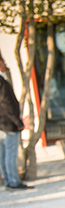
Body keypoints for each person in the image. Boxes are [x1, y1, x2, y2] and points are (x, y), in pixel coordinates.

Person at [0, 55, 31, 190]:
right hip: (7, 123)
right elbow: (7, 104)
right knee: (10, 153)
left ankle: (7, 180)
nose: (5, 64)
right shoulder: (1, 82)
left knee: (3, 154)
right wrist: (18, 122)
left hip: (2, 124)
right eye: (3, 61)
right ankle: (13, 181)